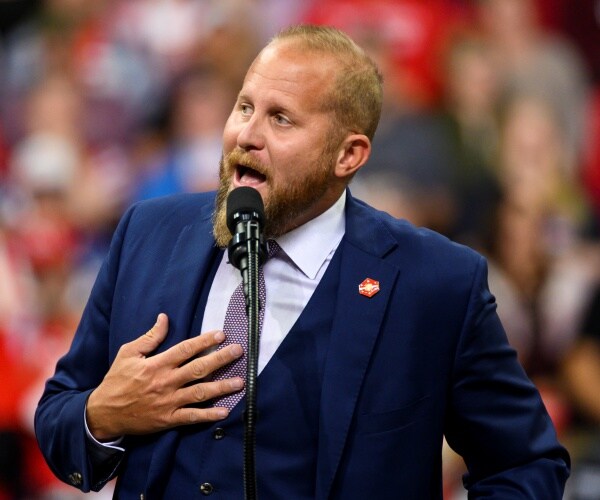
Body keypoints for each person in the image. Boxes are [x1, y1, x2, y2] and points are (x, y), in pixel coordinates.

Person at [35, 24, 570, 498]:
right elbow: (58, 417)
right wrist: (103, 414)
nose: (247, 134)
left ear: (348, 155)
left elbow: (525, 463)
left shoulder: (435, 283)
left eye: (281, 119)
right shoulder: (148, 234)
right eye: (244, 107)